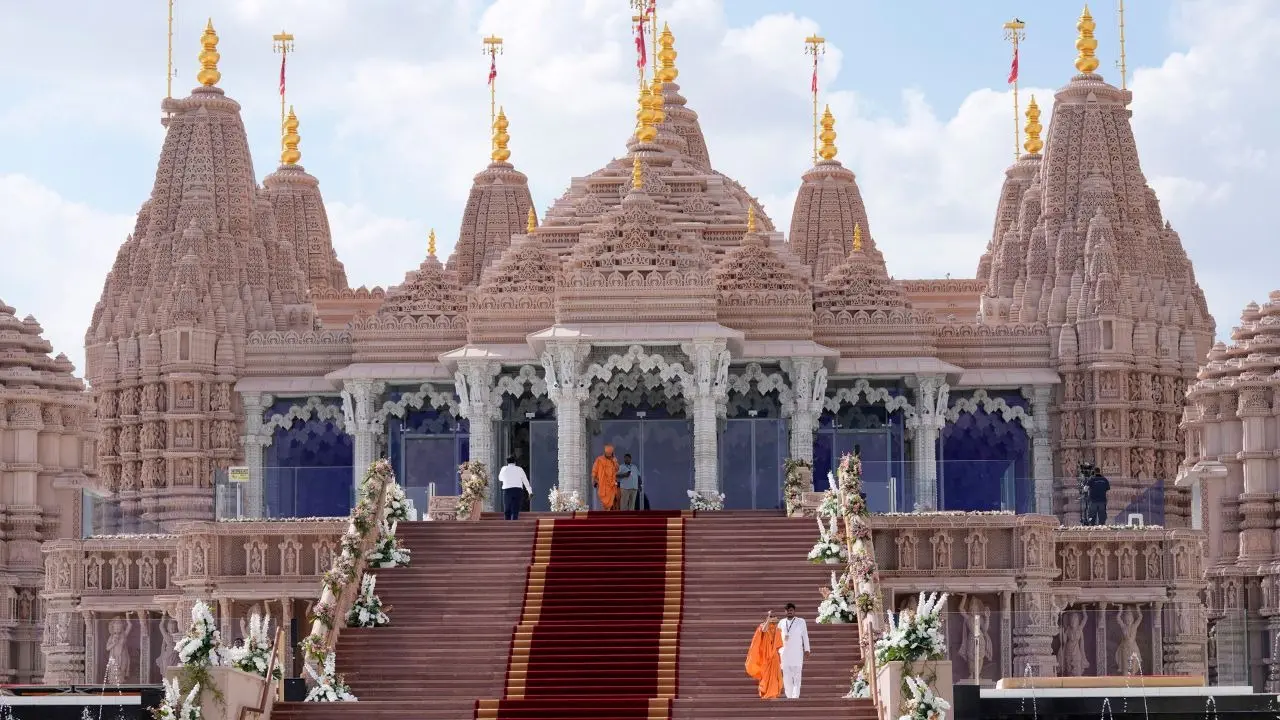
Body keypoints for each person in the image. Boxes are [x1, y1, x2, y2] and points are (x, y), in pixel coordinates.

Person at [745, 611, 783, 699]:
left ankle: (773, 694)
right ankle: (766, 693)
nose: (773, 619)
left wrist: (774, 623)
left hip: (774, 656)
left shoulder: (777, 629)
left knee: (775, 675)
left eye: (774, 618)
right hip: (765, 656)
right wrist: (768, 620)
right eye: (771, 617)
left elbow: (778, 642)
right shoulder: (762, 626)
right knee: (765, 676)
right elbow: (764, 630)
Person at [778, 602, 810, 699]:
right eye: (788, 610)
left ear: (794, 611)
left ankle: (796, 696)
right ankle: (789, 697)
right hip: (784, 653)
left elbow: (805, 635)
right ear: (785, 612)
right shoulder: (781, 622)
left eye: (791, 610)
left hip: (797, 653)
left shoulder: (801, 621)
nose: (789, 612)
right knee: (786, 677)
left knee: (797, 676)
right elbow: (777, 637)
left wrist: (807, 649)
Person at [498, 456, 532, 520]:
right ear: (515, 462)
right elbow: (525, 481)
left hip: (507, 491)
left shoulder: (504, 468)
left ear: (507, 462)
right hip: (518, 491)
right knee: (515, 510)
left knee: (507, 510)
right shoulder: (519, 469)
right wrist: (530, 492)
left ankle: (507, 526)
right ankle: (514, 523)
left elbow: (500, 479)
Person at [592, 444, 620, 511]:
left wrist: (614, 461)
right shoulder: (599, 460)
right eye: (607, 453)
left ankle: (608, 513)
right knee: (603, 502)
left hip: (611, 485)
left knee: (610, 502)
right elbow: (594, 470)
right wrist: (594, 480)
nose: (609, 455)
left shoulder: (614, 460)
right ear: (605, 452)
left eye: (610, 453)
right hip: (602, 484)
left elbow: (617, 469)